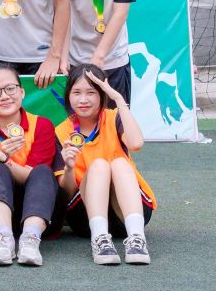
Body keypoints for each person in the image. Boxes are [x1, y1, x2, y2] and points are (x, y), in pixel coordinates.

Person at [0, 63, 65, 268]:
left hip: (40, 213)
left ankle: (30, 240)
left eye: (10, 88)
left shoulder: (42, 125)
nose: (4, 96)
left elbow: (35, 178)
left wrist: (1, 156)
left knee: (42, 171)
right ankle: (3, 240)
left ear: (22, 92)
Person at [55, 64, 156, 265]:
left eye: (91, 92)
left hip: (126, 214)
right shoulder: (61, 131)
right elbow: (66, 192)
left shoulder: (114, 117)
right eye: (76, 92)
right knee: (99, 165)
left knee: (119, 163)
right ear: (68, 96)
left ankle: (137, 239)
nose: (83, 99)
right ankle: (100, 239)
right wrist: (69, 167)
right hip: (85, 217)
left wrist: (118, 99)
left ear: (102, 94)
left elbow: (136, 143)